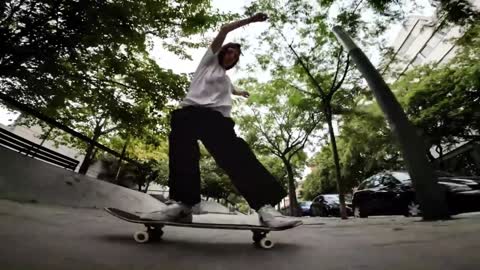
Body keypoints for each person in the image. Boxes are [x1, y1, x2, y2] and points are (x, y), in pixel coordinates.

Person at [141, 13, 301, 228]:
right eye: (229, 51)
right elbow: (224, 29)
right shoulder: (207, 63)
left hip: (216, 119)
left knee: (236, 156)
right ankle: (183, 205)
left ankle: (265, 208)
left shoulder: (226, 78)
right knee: (182, 155)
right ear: (222, 52)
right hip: (188, 114)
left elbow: (230, 87)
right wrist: (251, 20)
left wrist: (240, 92)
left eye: (235, 55)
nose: (231, 56)